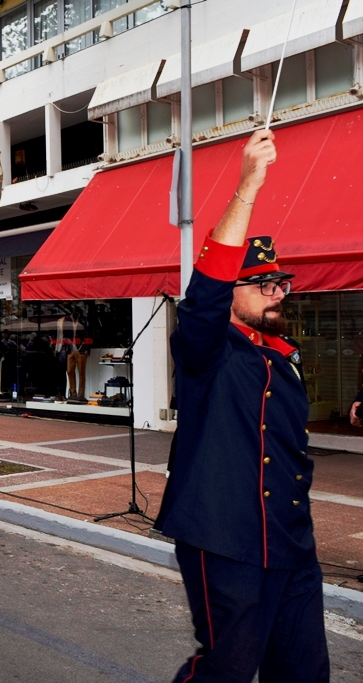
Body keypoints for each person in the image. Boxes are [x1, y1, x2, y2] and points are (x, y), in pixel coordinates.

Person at [155, 129, 329, 681]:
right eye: (261, 284)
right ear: (231, 291)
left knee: (304, 671)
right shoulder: (207, 350)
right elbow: (203, 293)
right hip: (225, 536)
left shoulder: (284, 357)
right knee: (226, 670)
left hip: (291, 540)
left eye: (280, 282)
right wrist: (249, 185)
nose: (277, 292)